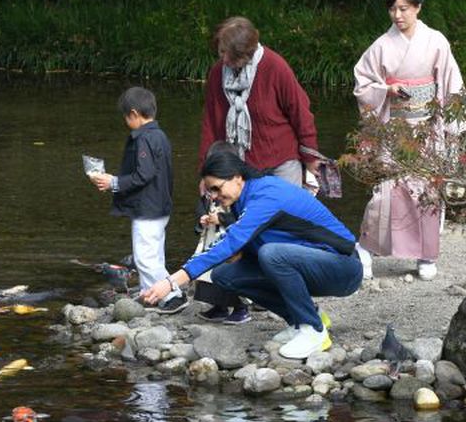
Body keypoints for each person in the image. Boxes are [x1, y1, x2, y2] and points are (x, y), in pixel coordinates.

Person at [141, 150, 363, 360]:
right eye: (211, 192)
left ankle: (313, 332)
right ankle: (303, 318)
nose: (215, 197)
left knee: (272, 254)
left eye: (217, 188)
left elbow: (230, 243)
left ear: (237, 177)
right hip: (314, 265)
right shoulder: (243, 200)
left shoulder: (267, 194)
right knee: (225, 274)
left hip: (344, 268)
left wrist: (172, 282)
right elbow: (237, 244)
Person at [353, 0, 465, 281]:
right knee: (387, 192)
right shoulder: (381, 46)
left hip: (428, 126)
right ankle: (365, 248)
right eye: (392, 9)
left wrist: (450, 127)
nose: (397, 15)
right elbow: (362, 84)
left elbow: (451, 85)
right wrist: (386, 90)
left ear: (418, 7)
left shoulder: (437, 41)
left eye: (404, 8)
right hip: (395, 128)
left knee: (427, 189)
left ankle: (426, 255)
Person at [90, 87, 188, 315]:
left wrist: (114, 182)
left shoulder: (143, 138)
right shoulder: (160, 135)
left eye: (126, 117)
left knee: (144, 257)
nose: (126, 122)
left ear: (134, 114)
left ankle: (172, 296)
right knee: (155, 252)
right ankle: (150, 291)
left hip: (148, 208)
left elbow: (144, 174)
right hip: (162, 205)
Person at [199, 16, 320, 188]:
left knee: (287, 213)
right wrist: (206, 171)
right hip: (240, 165)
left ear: (245, 53)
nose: (224, 59)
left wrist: (310, 157)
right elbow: (210, 124)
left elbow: (300, 113)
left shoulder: (275, 66)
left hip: (282, 163)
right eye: (221, 52)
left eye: (229, 54)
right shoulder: (217, 73)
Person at [192, 141, 251, 325]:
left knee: (230, 270)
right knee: (208, 271)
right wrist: (202, 216)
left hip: (230, 238)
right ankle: (219, 306)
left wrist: (222, 219)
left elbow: (245, 219)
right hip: (211, 235)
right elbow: (201, 204)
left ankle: (241, 308)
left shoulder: (238, 189)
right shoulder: (209, 186)